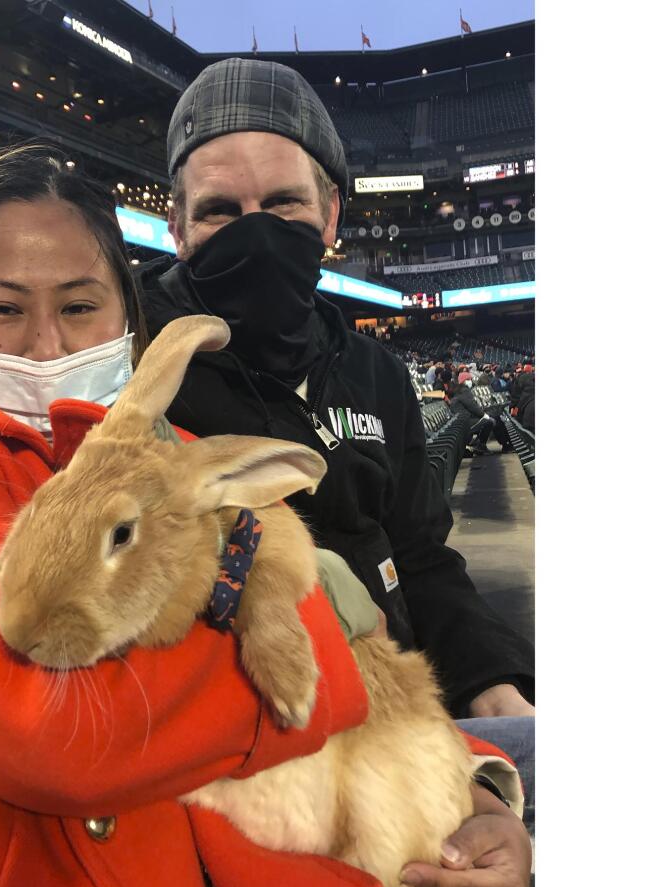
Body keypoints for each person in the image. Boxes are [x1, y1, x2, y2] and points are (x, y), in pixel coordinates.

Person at [0, 141, 530, 887]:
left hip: (299, 877)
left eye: (81, 308)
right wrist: (301, 610)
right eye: (3, 310)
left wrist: (477, 795)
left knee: (519, 763)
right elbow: (55, 734)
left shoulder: (146, 451)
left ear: (127, 323)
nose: (45, 346)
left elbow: (329, 577)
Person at [136, 59, 535, 723]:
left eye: (283, 202)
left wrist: (492, 680)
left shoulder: (374, 370)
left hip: (397, 702)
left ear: (329, 216)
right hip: (243, 730)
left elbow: (421, 556)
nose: (255, 230)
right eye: (219, 211)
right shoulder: (133, 367)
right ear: (177, 229)